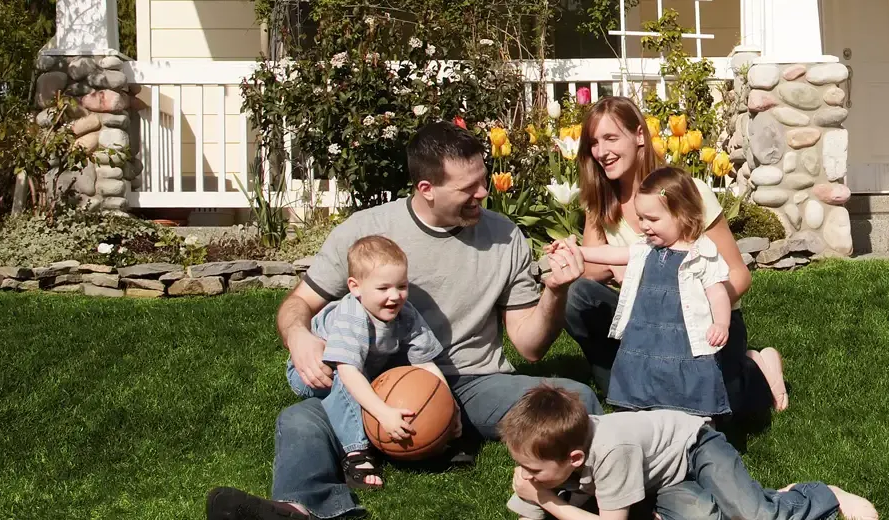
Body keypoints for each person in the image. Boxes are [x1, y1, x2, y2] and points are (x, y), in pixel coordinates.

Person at [206, 121, 600, 520]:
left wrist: (555, 291)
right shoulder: (365, 230)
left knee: (576, 399)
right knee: (298, 420)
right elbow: (300, 302)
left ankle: (595, 497)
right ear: (426, 189)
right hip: (373, 386)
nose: (483, 193)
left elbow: (530, 348)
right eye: (468, 188)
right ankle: (300, 509)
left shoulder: (505, 236)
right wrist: (297, 336)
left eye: (482, 180)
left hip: (471, 380)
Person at [564, 96, 788, 427]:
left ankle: (756, 366)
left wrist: (698, 313)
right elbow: (593, 270)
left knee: (722, 413)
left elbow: (739, 275)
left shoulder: (686, 192)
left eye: (611, 138)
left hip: (703, 322)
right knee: (577, 297)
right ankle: (622, 388)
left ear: (639, 135)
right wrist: (611, 264)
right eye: (594, 143)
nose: (601, 151)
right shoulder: (601, 199)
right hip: (648, 327)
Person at [500, 384, 879, 520]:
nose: (524, 476)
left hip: (694, 446)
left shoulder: (613, 449)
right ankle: (763, 496)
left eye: (531, 469)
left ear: (574, 460)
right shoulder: (544, 466)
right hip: (660, 476)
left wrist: (548, 501)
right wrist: (537, 499)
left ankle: (820, 494)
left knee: (754, 517)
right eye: (520, 465)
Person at [550, 166, 742, 418]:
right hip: (645, 337)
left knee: (688, 391)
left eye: (652, 219)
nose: (644, 226)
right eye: (641, 218)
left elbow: (717, 292)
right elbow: (612, 254)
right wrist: (579, 252)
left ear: (682, 215)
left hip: (684, 341)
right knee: (643, 380)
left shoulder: (701, 253)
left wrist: (721, 324)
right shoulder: (645, 247)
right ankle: (642, 422)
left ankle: (695, 426)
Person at [282, 234, 448, 491]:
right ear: (355, 287)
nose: (395, 296)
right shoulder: (352, 315)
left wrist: (450, 409)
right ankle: (356, 453)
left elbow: (426, 364)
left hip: (362, 368)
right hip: (312, 373)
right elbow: (349, 373)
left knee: (381, 380)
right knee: (342, 375)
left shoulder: (406, 314)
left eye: (402, 286)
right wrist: (383, 414)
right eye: (383, 289)